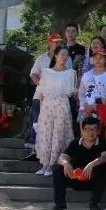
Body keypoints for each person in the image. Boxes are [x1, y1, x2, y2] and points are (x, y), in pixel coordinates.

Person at [49, 116, 106, 210]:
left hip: (94, 180)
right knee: (58, 170)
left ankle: (94, 204)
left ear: (98, 131)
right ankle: (60, 204)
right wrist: (66, 163)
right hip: (76, 178)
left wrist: (91, 164)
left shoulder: (103, 143)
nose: (91, 132)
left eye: (94, 129)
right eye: (87, 129)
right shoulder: (75, 143)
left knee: (104, 168)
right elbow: (62, 157)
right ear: (82, 131)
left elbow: (105, 157)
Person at [34, 45, 78, 177]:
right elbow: (41, 93)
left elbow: (71, 92)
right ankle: (44, 164)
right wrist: (41, 111)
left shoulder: (71, 73)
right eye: (62, 54)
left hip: (62, 105)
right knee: (46, 134)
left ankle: (53, 164)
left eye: (66, 55)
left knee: (58, 134)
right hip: (47, 105)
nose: (64, 57)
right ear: (56, 55)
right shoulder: (46, 72)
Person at [77, 47, 106, 123]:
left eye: (101, 58)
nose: (98, 60)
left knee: (97, 129)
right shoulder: (86, 74)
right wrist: (85, 104)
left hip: (100, 108)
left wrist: (93, 106)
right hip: (84, 108)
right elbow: (81, 92)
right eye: (96, 58)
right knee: (84, 129)